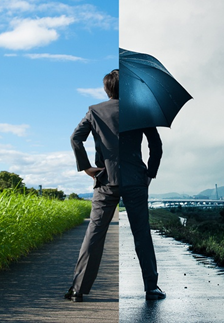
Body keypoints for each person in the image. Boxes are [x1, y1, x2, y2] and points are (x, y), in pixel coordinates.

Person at [65, 69, 166, 302]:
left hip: (104, 181)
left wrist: (87, 167)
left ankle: (77, 290)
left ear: (106, 89)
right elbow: (156, 145)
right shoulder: (140, 110)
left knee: (94, 234)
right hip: (136, 180)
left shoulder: (95, 111)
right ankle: (151, 288)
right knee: (142, 233)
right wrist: (150, 172)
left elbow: (75, 138)